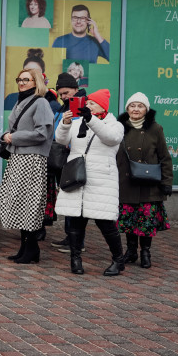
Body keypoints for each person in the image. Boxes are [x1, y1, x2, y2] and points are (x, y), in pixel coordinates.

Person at [55, 89, 125, 275]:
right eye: (87, 103)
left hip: (101, 180)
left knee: (106, 223)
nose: (87, 106)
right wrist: (65, 123)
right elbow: (61, 140)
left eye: (92, 104)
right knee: (76, 222)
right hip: (77, 176)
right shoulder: (78, 122)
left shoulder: (114, 124)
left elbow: (111, 139)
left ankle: (118, 259)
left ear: (103, 106)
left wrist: (91, 120)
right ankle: (75, 259)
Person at [0, 68, 54, 265]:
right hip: (19, 158)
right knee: (19, 202)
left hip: (32, 159)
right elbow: (14, 126)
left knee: (29, 203)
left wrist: (14, 138)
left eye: (26, 80)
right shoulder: (21, 101)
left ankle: (31, 249)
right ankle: (26, 247)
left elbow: (42, 133)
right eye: (19, 79)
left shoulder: (41, 102)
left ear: (35, 81)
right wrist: (6, 135)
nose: (21, 83)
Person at [116, 92, 173, 269]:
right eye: (132, 106)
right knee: (129, 220)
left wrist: (167, 181)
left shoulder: (155, 129)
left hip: (149, 184)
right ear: (127, 108)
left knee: (146, 221)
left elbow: (165, 157)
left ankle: (145, 252)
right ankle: (131, 251)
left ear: (146, 110)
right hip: (127, 182)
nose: (136, 109)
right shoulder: (119, 128)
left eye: (140, 106)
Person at [49, 72, 86, 253]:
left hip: (73, 159)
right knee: (68, 198)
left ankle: (76, 241)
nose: (64, 96)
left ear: (76, 89)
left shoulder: (81, 106)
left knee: (74, 200)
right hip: (61, 159)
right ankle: (70, 237)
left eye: (67, 92)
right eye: (61, 93)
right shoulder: (64, 107)